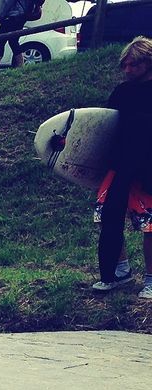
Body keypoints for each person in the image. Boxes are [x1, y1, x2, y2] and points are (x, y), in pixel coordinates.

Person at [89, 37, 152, 298]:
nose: (127, 70)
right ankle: (119, 271)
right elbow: (105, 128)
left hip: (149, 166)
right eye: (124, 65)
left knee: (150, 226)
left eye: (133, 65)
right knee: (108, 217)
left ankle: (151, 279)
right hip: (120, 165)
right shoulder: (121, 92)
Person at [0, 0, 31, 73]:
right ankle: (21, 66)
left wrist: (1, 16)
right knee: (13, 42)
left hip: (11, 17)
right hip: (21, 18)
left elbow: (9, 3)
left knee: (0, 42)